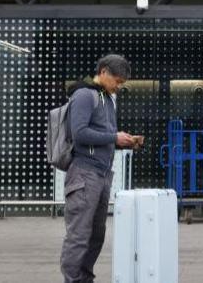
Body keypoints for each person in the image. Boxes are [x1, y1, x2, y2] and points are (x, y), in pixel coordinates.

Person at [61, 54, 142, 283]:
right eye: (117, 81)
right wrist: (114, 137)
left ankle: (85, 278)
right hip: (85, 175)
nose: (118, 86)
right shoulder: (85, 95)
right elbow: (79, 134)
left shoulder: (106, 98)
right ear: (103, 72)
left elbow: (101, 137)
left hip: (102, 174)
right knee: (79, 236)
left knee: (96, 235)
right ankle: (73, 280)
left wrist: (121, 141)